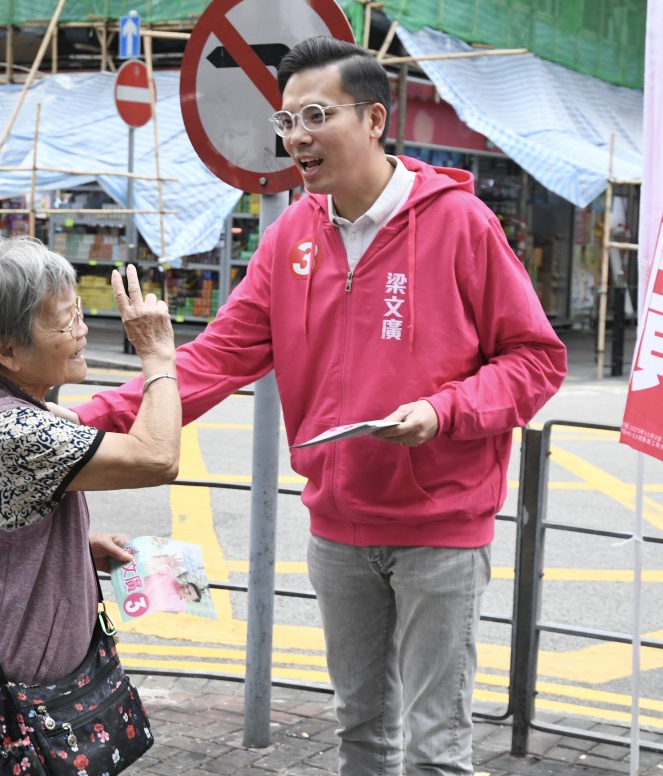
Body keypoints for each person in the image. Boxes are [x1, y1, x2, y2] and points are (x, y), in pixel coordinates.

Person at [75, 36, 567, 775]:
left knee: (438, 747)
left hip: (441, 528)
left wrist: (443, 412)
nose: (297, 137)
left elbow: (536, 361)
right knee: (360, 731)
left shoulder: (462, 225)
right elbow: (216, 358)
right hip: (338, 530)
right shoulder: (290, 237)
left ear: (373, 119)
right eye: (285, 121)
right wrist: (81, 421)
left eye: (314, 115)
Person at [0, 236, 180, 775]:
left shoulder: (2, 405)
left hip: (14, 701)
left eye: (78, 312)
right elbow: (157, 457)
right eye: (64, 321)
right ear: (8, 350)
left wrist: (75, 550)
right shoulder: (13, 430)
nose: (82, 330)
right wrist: (157, 355)